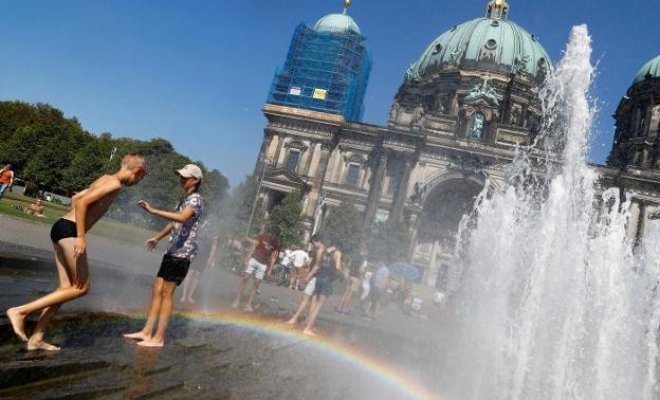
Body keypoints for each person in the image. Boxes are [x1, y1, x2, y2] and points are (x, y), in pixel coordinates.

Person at [5, 154, 147, 350]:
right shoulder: (114, 184)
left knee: (65, 290)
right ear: (137, 171)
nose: (137, 183)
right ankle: (20, 311)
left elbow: (76, 197)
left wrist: (73, 224)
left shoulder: (105, 178)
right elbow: (82, 204)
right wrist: (80, 236)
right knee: (82, 287)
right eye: (140, 178)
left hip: (61, 226)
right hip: (70, 231)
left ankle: (37, 338)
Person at [124, 164, 204, 347]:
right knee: (157, 289)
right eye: (181, 176)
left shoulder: (196, 200)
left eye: (185, 177)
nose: (181, 179)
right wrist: (157, 238)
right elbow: (174, 222)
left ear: (196, 180)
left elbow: (182, 218)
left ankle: (158, 337)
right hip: (172, 250)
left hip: (182, 253)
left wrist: (152, 211)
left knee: (167, 293)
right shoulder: (185, 198)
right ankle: (146, 331)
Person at [232, 226, 281, 312]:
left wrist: (270, 269)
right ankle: (236, 300)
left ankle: (248, 304)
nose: (274, 237)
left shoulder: (277, 243)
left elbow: (274, 257)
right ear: (271, 233)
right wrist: (248, 256)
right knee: (245, 278)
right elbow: (254, 245)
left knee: (256, 284)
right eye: (273, 234)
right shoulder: (263, 235)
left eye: (276, 235)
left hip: (263, 264)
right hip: (254, 259)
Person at [301, 239, 343, 336]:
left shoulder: (324, 252)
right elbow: (337, 267)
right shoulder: (338, 253)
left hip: (319, 278)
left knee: (314, 303)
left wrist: (308, 277)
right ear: (339, 246)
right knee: (318, 306)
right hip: (327, 280)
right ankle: (307, 329)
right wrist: (342, 275)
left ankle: (310, 325)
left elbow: (317, 266)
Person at [286, 235, 324, 326]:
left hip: (315, 277)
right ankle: (309, 321)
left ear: (317, 241)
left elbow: (318, 265)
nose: (313, 245)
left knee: (305, 298)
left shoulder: (320, 251)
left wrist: (308, 276)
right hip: (319, 277)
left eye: (313, 243)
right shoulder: (325, 250)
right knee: (313, 300)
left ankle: (295, 318)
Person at [179, 219, 218, 304]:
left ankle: (190, 296)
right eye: (208, 221)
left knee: (197, 275)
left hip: (204, 256)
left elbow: (214, 246)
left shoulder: (214, 233)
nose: (209, 223)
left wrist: (211, 258)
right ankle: (184, 295)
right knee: (190, 273)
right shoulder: (199, 228)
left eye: (211, 222)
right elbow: (190, 238)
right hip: (194, 253)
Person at [336, 246, 368, 315]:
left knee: (346, 292)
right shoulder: (363, 260)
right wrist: (361, 276)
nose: (367, 253)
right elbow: (360, 270)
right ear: (364, 251)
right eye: (366, 252)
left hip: (350, 276)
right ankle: (344, 309)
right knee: (350, 294)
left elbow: (348, 265)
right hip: (356, 277)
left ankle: (339, 308)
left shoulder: (354, 257)